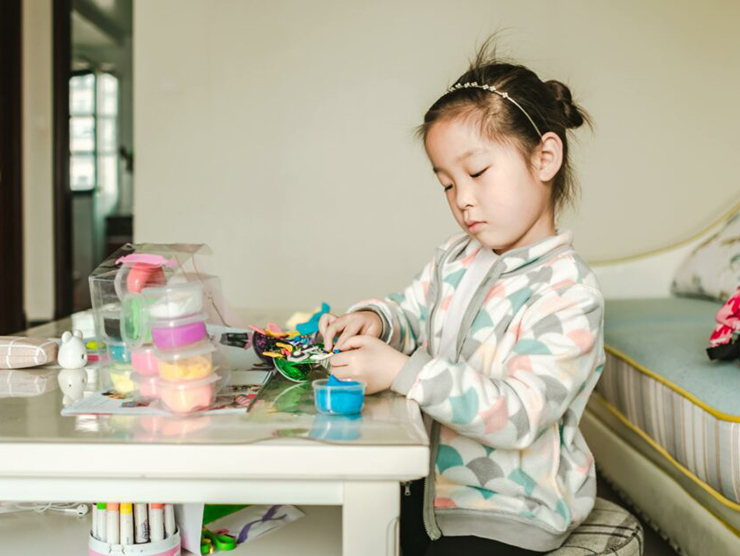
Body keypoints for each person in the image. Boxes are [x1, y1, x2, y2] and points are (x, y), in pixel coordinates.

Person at [319, 37, 606, 555]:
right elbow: (411, 312)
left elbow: (519, 415)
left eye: (476, 173)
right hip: (434, 493)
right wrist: (376, 321)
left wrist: (403, 373)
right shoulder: (457, 257)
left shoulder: (569, 294)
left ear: (545, 158)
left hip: (510, 514)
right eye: (447, 184)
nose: (463, 199)